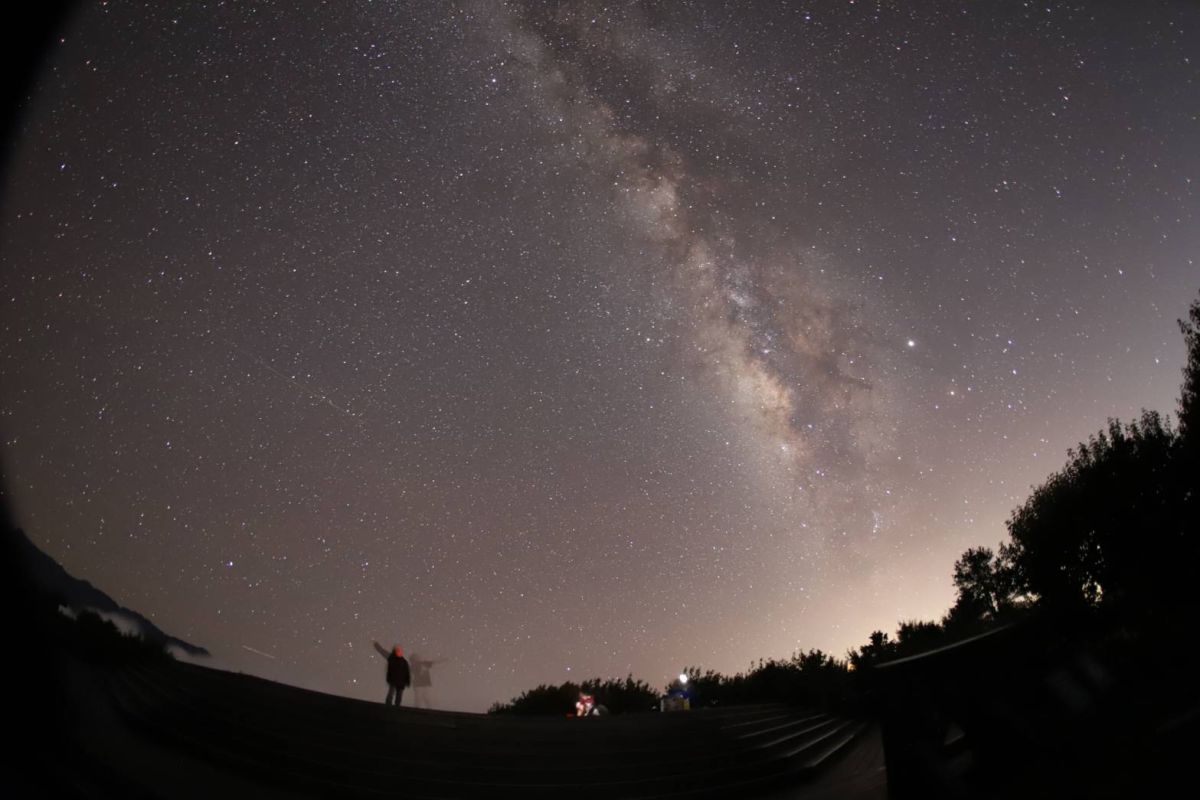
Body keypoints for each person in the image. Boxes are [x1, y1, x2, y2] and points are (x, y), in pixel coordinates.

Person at [373, 640, 411, 707]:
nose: (399, 651)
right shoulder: (392, 658)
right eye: (397, 650)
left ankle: (396, 707)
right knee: (391, 693)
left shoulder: (404, 661)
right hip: (394, 679)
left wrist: (407, 681)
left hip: (400, 681)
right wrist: (377, 646)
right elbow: (382, 651)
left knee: (398, 695)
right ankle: (388, 706)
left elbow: (407, 672)